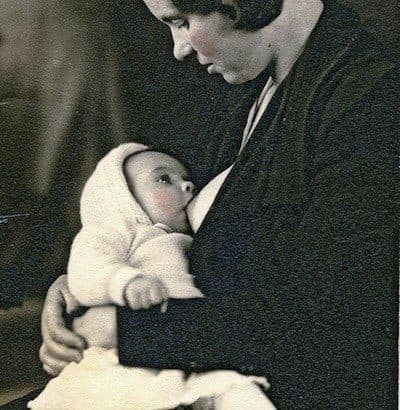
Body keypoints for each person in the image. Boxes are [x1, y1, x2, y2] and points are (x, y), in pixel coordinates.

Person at [39, 0, 397, 408]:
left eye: (182, 21)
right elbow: (190, 246)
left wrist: (125, 331)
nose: (180, 48)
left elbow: (330, 324)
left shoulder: (364, 97)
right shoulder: (249, 88)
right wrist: (80, 292)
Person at [30, 142, 272, 409]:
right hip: (120, 357)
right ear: (123, 197)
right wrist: (125, 282)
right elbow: (87, 266)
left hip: (177, 346)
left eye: (187, 180)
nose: (188, 186)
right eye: (164, 179)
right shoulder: (119, 230)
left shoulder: (182, 240)